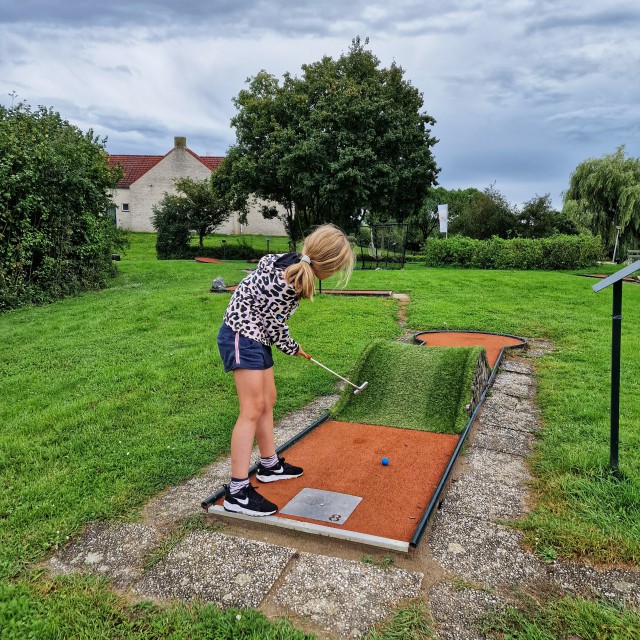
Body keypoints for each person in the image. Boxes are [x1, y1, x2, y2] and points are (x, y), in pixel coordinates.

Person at [216, 224, 355, 516]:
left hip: (256, 336)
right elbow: (275, 326)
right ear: (328, 267)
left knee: (268, 400)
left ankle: (269, 465)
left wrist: (289, 344)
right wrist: (292, 347)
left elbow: (269, 321)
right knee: (251, 409)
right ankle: (237, 492)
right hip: (242, 335)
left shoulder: (289, 262)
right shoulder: (288, 283)